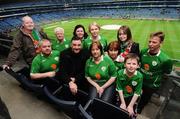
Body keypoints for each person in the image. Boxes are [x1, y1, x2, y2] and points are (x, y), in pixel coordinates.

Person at [137, 31, 173, 113]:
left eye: (154, 42)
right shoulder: (143, 51)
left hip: (151, 85)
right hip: (139, 80)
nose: (150, 44)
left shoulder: (165, 59)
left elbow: (167, 71)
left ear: (161, 43)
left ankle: (139, 109)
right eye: (150, 41)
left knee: (144, 100)